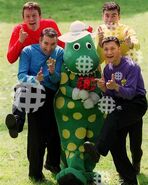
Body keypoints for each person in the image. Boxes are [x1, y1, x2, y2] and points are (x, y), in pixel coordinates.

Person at [84, 36, 147, 185]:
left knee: (134, 144)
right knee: (115, 143)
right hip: (120, 104)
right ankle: (129, 179)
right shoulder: (107, 69)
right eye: (106, 49)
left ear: (119, 49)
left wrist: (116, 87)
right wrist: (105, 89)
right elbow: (111, 95)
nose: (109, 52)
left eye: (112, 48)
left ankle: (98, 149)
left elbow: (131, 93)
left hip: (136, 104)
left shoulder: (132, 66)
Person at [95, 1, 143, 175]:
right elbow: (98, 58)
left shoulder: (125, 29)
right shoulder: (100, 32)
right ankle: (127, 173)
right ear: (102, 16)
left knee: (135, 138)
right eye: (107, 15)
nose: (110, 18)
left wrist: (131, 42)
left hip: (131, 83)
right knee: (118, 133)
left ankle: (136, 160)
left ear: (119, 16)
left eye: (113, 15)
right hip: (115, 85)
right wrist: (105, 88)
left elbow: (135, 43)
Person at [5, 1, 64, 138]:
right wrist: (20, 41)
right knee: (21, 89)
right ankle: (16, 122)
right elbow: (10, 58)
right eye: (27, 16)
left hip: (48, 80)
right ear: (23, 18)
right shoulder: (19, 30)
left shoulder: (50, 25)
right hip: (30, 78)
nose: (31, 19)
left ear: (40, 16)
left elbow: (62, 47)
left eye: (34, 15)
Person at [16, 27, 63, 181]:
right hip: (33, 93)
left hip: (52, 95)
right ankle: (35, 173)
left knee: (55, 132)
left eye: (52, 44)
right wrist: (35, 79)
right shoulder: (28, 51)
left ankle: (53, 164)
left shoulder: (60, 53)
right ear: (40, 41)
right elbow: (21, 75)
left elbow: (57, 81)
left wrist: (52, 72)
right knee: (37, 135)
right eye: (46, 44)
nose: (49, 48)